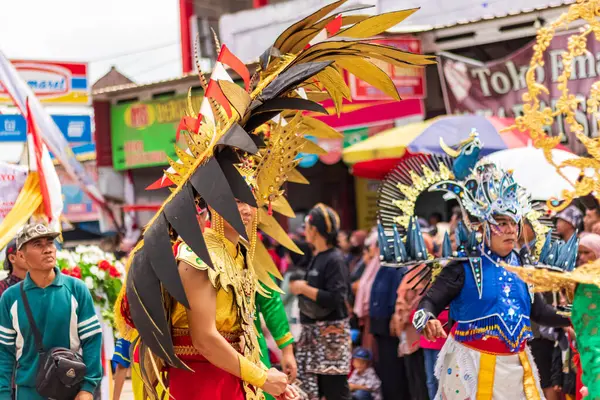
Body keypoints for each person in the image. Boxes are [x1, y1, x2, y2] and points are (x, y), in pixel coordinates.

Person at [414, 163, 570, 399]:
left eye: (513, 223)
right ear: (483, 227)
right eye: (501, 223)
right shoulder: (464, 266)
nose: (510, 230)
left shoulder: (524, 267)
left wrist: (577, 316)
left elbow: (540, 312)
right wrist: (427, 319)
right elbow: (429, 302)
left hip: (517, 367)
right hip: (471, 364)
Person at [0, 223, 102, 399]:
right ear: (21, 255)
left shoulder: (77, 289)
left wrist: (88, 388)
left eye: (49, 243)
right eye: (38, 245)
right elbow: (4, 353)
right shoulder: (10, 297)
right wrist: (3, 394)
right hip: (28, 392)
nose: (47, 249)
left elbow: (92, 341)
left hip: (71, 389)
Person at [290, 203, 351, 400]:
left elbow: (337, 298)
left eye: (306, 228)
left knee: (335, 391)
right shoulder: (318, 257)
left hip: (331, 338)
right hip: (313, 336)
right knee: (314, 390)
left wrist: (303, 288)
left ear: (314, 229)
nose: (305, 232)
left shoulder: (334, 259)